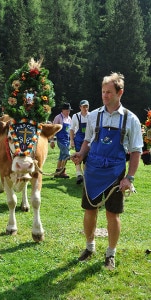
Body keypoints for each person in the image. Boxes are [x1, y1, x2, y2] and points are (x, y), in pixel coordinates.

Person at [71, 72, 143, 270]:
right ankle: (89, 247)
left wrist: (130, 177)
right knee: (89, 210)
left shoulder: (131, 119)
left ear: (120, 92)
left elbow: (136, 151)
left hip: (115, 172)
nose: (105, 96)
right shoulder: (94, 116)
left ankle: (110, 253)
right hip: (93, 169)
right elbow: (88, 141)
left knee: (113, 214)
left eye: (109, 92)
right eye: (103, 92)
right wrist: (80, 153)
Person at [50, 102, 72, 178]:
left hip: (67, 140)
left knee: (62, 156)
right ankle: (62, 172)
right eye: (67, 110)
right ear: (63, 110)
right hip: (60, 140)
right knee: (67, 154)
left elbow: (70, 130)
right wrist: (52, 141)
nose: (68, 112)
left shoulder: (69, 118)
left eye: (69, 111)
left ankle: (57, 171)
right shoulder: (58, 117)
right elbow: (53, 130)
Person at [70, 100, 90, 184]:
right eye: (83, 106)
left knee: (87, 158)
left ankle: (85, 175)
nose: (85, 108)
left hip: (88, 139)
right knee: (78, 156)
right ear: (80, 107)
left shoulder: (92, 116)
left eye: (86, 106)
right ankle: (79, 174)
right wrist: (71, 141)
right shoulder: (75, 116)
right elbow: (72, 129)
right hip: (78, 139)